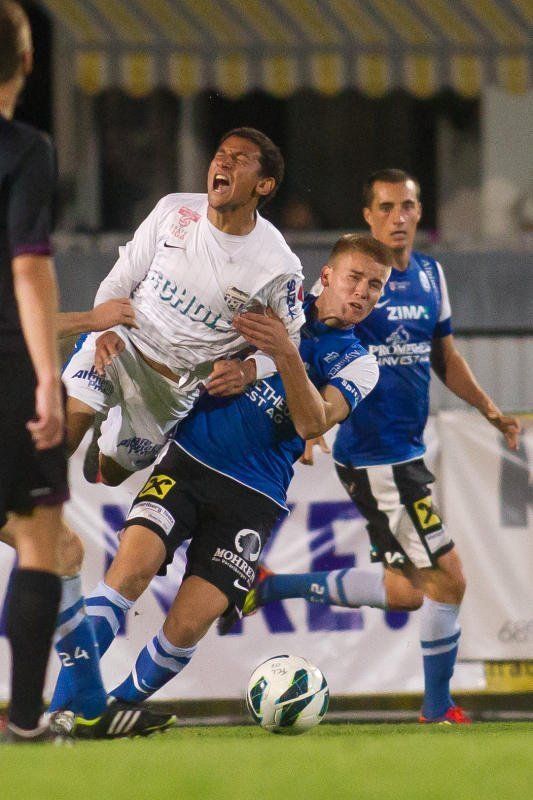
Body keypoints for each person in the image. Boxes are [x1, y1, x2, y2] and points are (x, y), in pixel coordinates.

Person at [48, 234, 391, 717]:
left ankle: (110, 711)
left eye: (375, 286)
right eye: (355, 278)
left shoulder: (360, 363)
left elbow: (313, 422)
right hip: (190, 462)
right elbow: (184, 317)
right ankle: (64, 711)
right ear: (328, 276)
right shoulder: (271, 301)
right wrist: (116, 331)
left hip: (254, 497)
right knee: (128, 573)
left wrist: (281, 357)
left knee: (187, 627)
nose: (362, 293)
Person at [233, 169, 521, 725]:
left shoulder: (430, 275)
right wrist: (309, 426)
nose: (398, 217)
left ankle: (272, 587)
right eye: (385, 207)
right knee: (449, 580)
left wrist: (489, 409)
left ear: (419, 212)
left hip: (407, 452)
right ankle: (437, 710)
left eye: (407, 206)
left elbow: (444, 358)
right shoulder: (352, 286)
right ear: (368, 216)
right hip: (376, 456)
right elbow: (307, 344)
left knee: (408, 591)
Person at [63, 126, 305, 487]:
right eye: (221, 154)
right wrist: (106, 329)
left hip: (172, 388)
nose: (223, 162)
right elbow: (121, 279)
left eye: (240, 159)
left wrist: (247, 371)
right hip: (119, 347)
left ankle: (106, 438)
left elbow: (291, 343)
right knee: (62, 438)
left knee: (110, 474)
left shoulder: (278, 265)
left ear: (264, 185)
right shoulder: (174, 210)